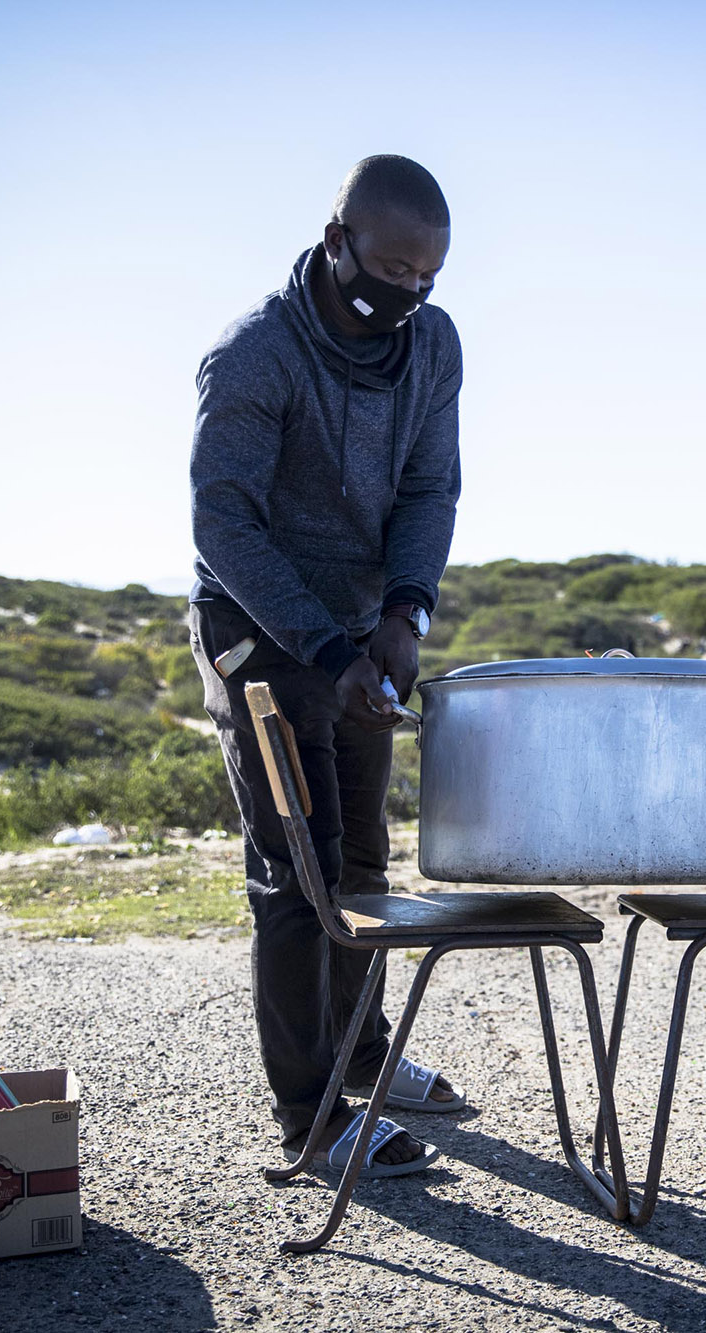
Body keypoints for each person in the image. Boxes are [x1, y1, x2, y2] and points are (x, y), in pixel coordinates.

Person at [189, 154, 465, 1179]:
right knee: (295, 875)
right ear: (336, 237)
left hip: (360, 631)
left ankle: (364, 1060)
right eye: (389, 269)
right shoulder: (254, 355)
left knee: (361, 864)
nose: (406, 295)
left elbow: (430, 486)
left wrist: (406, 610)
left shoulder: (432, 345)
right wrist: (327, 646)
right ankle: (309, 1116)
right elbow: (223, 526)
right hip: (259, 632)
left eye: (426, 279)